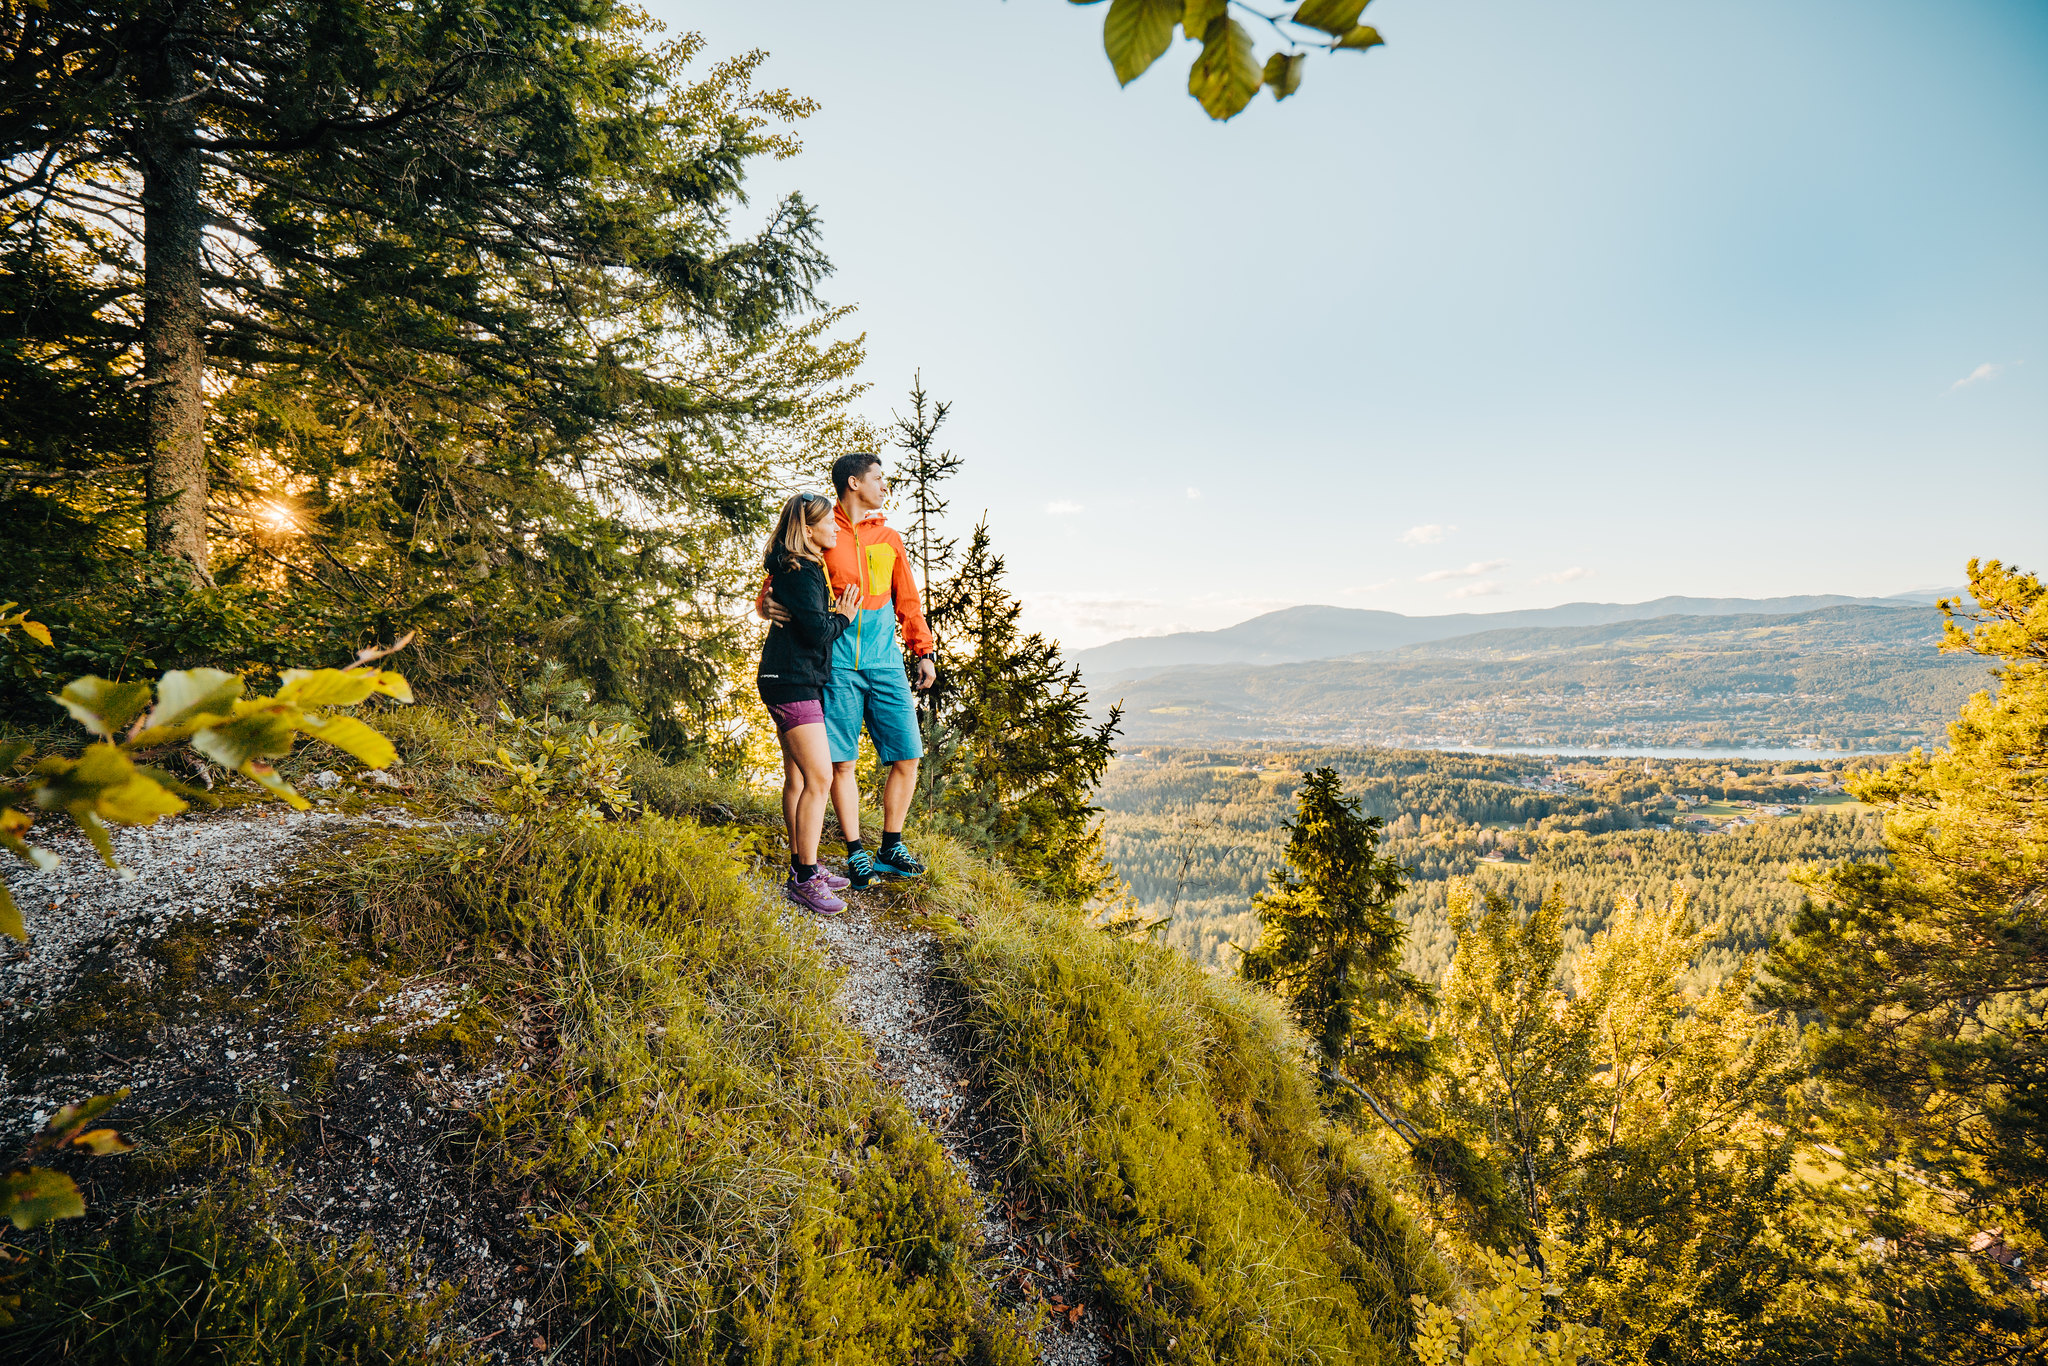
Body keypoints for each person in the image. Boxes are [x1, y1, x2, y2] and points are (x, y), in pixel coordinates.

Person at [757, 451, 936, 889]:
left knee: (907, 754)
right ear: (854, 483)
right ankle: (856, 853)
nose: (885, 486)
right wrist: (765, 604)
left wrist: (923, 650)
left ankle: (891, 847)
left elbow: (907, 600)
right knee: (841, 764)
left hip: (885, 661)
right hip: (834, 664)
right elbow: (781, 579)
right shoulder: (822, 530)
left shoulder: (889, 538)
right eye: (879, 478)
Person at [758, 492, 864, 914]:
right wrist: (844, 617)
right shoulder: (799, 571)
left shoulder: (798, 568)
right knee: (819, 779)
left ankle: (806, 867)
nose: (835, 527)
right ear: (807, 529)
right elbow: (818, 632)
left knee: (801, 780)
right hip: (792, 682)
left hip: (792, 679)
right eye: (828, 523)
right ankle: (804, 878)